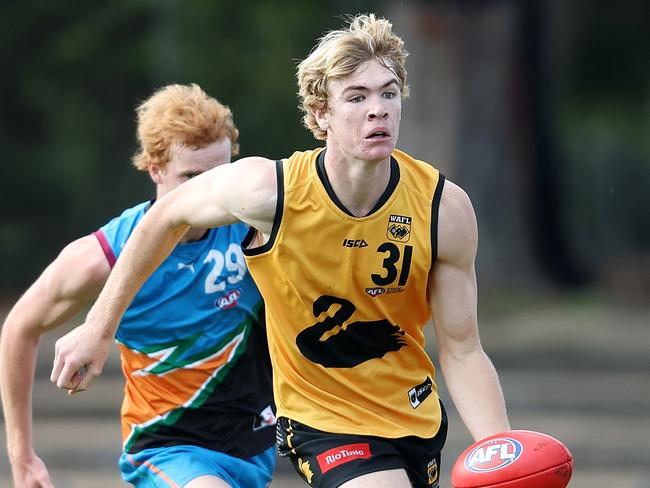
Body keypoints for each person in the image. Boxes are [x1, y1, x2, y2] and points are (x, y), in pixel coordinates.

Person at [50, 14, 510, 488]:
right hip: (319, 421)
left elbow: (463, 349)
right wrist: (98, 327)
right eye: (356, 97)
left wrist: (502, 451)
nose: (378, 110)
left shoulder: (442, 207)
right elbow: (164, 218)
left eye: (388, 93)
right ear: (319, 116)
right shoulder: (270, 192)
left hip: (413, 416)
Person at [0, 84, 276, 488]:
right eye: (191, 177)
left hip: (254, 442)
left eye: (220, 175)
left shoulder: (256, 222)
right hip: (166, 446)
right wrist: (21, 455)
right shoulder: (104, 257)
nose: (208, 191)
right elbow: (18, 328)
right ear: (155, 169)